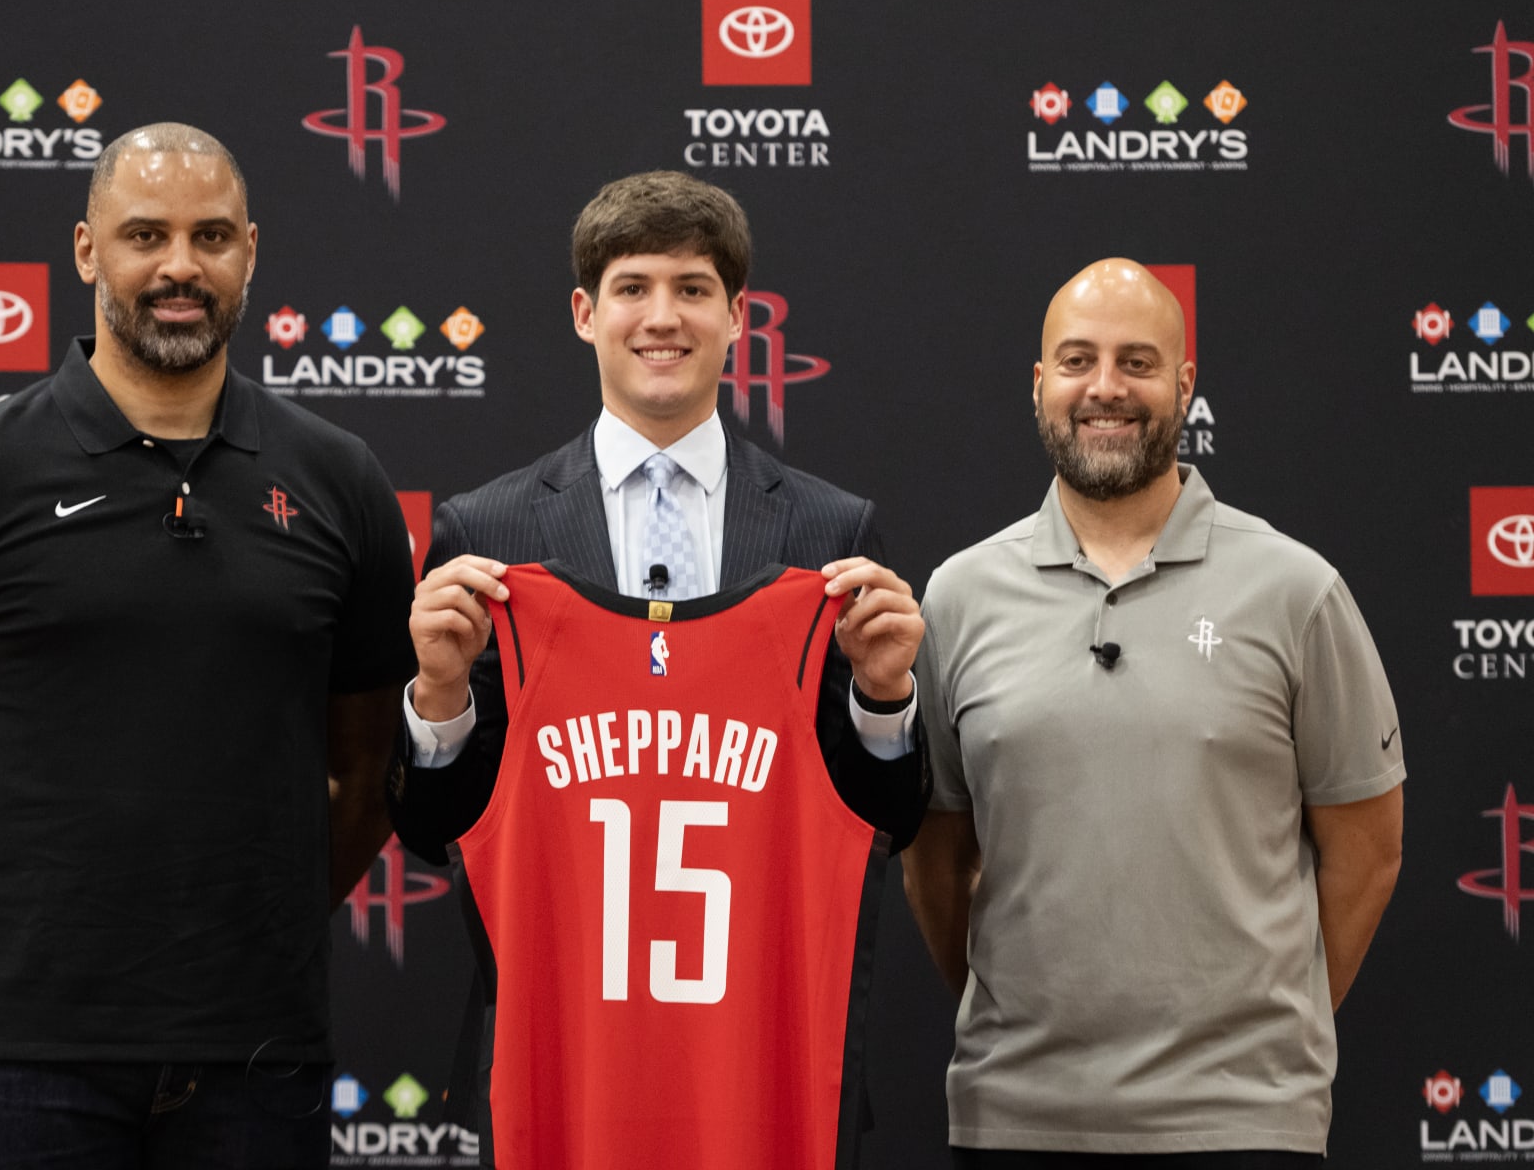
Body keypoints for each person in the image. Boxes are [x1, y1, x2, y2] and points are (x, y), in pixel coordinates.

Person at [0, 123, 415, 1169]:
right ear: (88, 252)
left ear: (251, 253)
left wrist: (247, 941)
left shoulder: (339, 479)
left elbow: (368, 771)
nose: (179, 265)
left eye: (211, 235)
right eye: (145, 234)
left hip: (256, 1060)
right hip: (16, 1064)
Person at [388, 170, 930, 1168]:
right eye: (633, 288)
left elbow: (883, 821)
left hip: (759, 1078)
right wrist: (440, 698)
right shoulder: (488, 533)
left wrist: (885, 700)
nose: (662, 317)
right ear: (586, 314)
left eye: (692, 288)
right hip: (560, 1073)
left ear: (737, 317)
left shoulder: (830, 534)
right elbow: (433, 830)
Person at [904, 258, 1405, 1169]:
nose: (1105, 388)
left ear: (1182, 385)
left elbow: (1366, 853)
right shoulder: (959, 595)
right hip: (1015, 1114)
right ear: (1039, 383)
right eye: (1077, 360)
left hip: (1245, 1122)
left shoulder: (1296, 589)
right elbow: (936, 862)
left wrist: (1256, 1036)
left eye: (1137, 362)